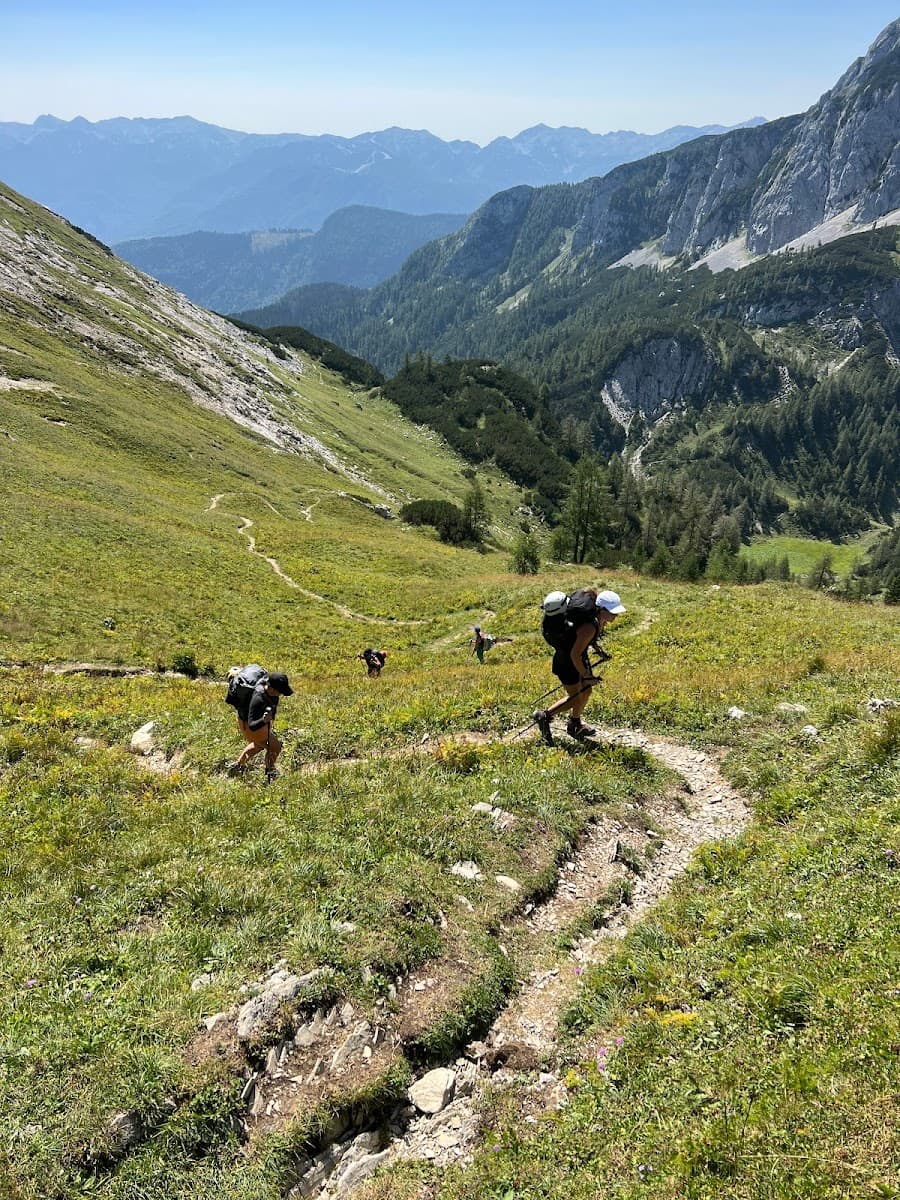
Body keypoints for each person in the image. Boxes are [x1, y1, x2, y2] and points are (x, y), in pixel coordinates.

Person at [533, 589, 625, 745]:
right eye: (612, 612)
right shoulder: (589, 625)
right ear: (601, 609)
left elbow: (585, 641)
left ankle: (575, 724)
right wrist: (587, 675)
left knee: (586, 691)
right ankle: (543, 716)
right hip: (567, 663)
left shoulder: (594, 619)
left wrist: (598, 650)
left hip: (575, 658)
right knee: (576, 698)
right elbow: (574, 654)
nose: (615, 616)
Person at [227, 670, 293, 779]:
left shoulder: (268, 688)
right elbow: (253, 725)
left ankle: (238, 765)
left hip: (253, 725)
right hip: (249, 726)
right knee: (275, 747)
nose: (281, 694)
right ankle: (270, 771)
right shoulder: (258, 698)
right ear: (271, 688)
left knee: (258, 745)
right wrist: (264, 720)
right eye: (280, 691)